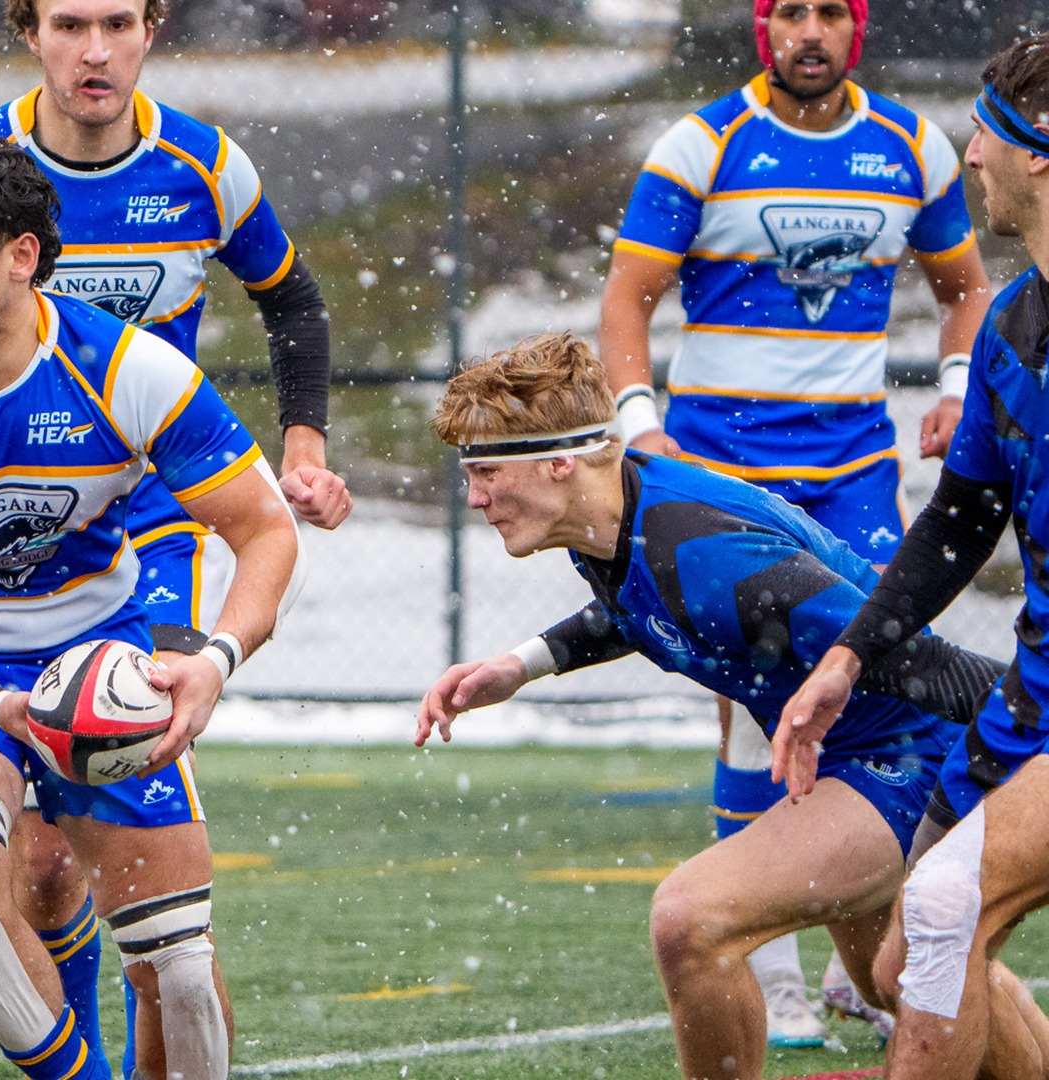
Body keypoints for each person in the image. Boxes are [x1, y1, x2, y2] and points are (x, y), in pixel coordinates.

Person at [0, 3, 347, 1067]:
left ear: (153, 28)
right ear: (28, 33)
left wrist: (301, 445)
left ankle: (157, 971)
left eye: (118, 21)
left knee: (149, 872)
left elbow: (293, 301)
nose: (95, 50)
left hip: (153, 533)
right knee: (37, 869)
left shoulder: (206, 169)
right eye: (69, 23)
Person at [418, 332, 1002, 1080]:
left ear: (559, 461)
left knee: (691, 920)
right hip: (846, 761)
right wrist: (522, 665)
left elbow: (922, 663)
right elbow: (640, 606)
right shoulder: (610, 513)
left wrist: (1034, 720)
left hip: (907, 759)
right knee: (907, 982)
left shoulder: (709, 553)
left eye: (487, 472)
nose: (475, 497)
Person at [597, 0, 991, 1040]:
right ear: (762, 27)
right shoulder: (703, 145)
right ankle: (769, 966)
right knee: (752, 702)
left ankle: (867, 952)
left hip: (852, 474)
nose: (809, 33)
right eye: (789, 13)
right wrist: (640, 427)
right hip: (720, 470)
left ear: (856, 29)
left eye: (829, 13)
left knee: (885, 687)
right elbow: (628, 298)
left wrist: (957, 385)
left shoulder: (911, 145)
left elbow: (965, 289)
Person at [776, 34, 1049, 1079]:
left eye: (985, 133)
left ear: (1037, 150)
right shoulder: (1010, 327)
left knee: (945, 905)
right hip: (1030, 701)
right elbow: (957, 522)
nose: (968, 155)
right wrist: (847, 660)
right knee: (903, 961)